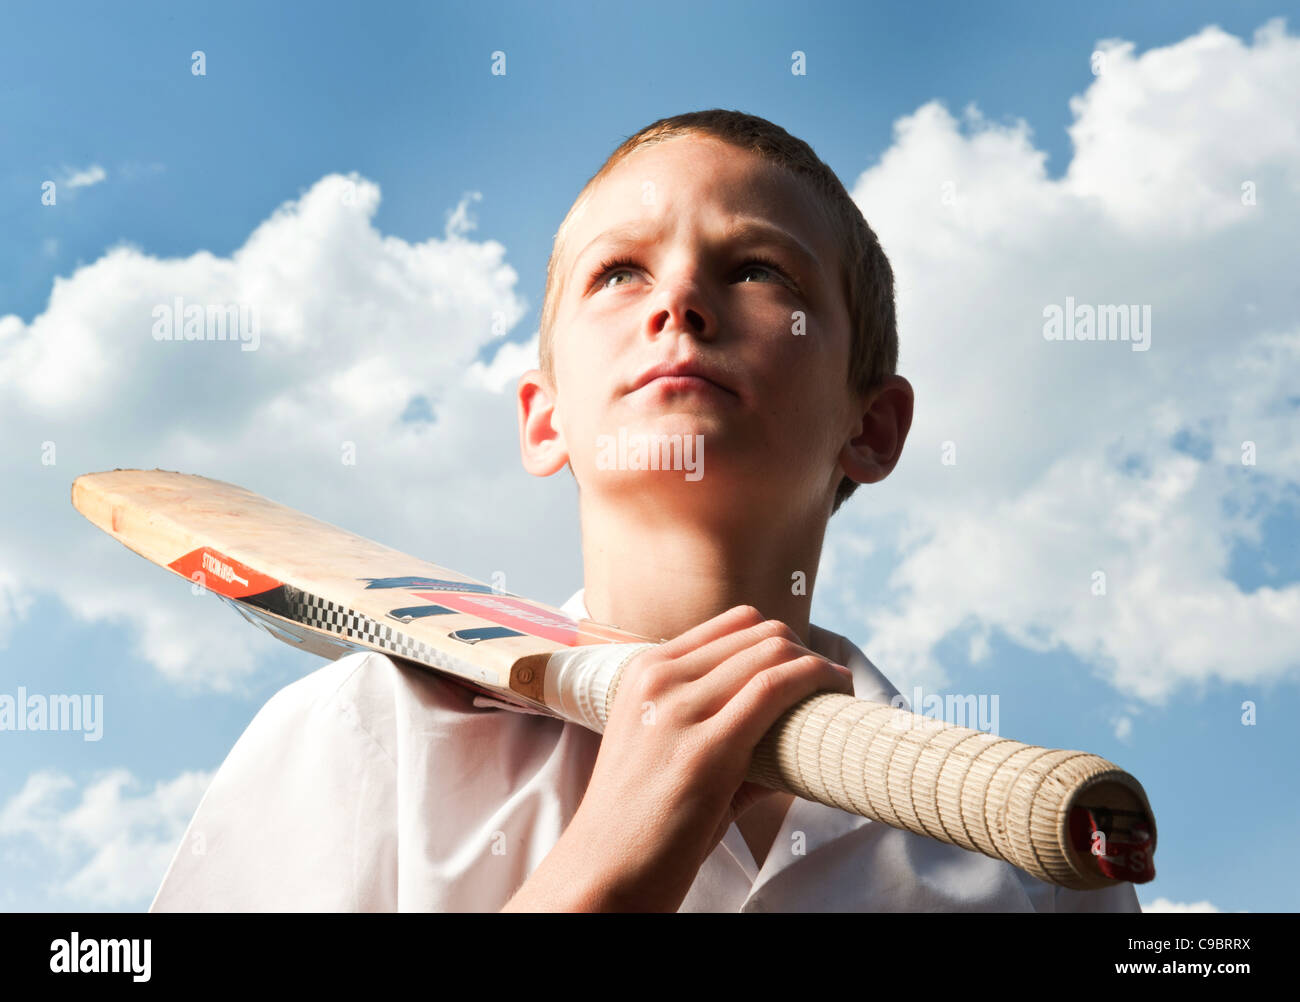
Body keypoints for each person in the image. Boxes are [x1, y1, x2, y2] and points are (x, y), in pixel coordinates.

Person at [150, 109, 1141, 912]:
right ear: (544, 420)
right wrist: (610, 867)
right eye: (618, 272)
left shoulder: (1022, 857)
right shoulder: (362, 737)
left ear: (872, 427)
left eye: (758, 270)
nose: (678, 301)